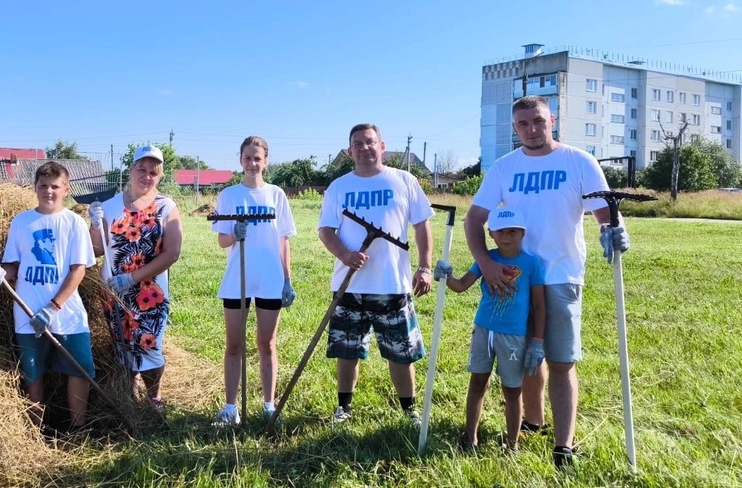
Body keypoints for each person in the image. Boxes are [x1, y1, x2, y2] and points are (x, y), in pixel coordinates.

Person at [465, 95, 630, 468]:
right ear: (514, 129)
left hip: (559, 274)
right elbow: (474, 219)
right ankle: (533, 421)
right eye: (523, 124)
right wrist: (485, 264)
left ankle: (563, 445)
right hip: (511, 277)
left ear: (551, 119)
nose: (532, 130)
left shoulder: (578, 161)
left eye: (538, 121)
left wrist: (616, 233)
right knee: (525, 356)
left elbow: (606, 213)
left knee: (559, 359)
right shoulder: (504, 168)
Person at [318, 123, 434, 424]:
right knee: (347, 349)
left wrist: (425, 267)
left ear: (381, 146)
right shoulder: (339, 187)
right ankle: (343, 407)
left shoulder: (404, 181)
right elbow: (325, 230)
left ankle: (409, 410)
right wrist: (344, 254)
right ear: (349, 151)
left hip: (392, 283)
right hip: (349, 285)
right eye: (358, 144)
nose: (364, 148)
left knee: (400, 351)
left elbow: (422, 225)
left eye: (370, 142)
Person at [0, 161, 96, 429]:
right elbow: (13, 264)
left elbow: (78, 270)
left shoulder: (74, 223)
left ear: (66, 189)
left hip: (67, 314)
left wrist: (53, 307)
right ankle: (37, 430)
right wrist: (1, 272)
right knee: (33, 374)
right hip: (27, 313)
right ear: (34, 188)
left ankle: (78, 428)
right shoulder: (22, 222)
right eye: (43, 186)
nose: (49, 191)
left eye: (55, 186)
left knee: (79, 368)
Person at [434, 207, 546, 452]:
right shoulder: (486, 260)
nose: (506, 236)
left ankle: (512, 444)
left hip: (514, 336)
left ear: (522, 233)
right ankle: (470, 438)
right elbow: (461, 285)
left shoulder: (531, 264)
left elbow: (539, 304)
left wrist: (538, 341)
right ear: (491, 234)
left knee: (512, 390)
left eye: (512, 231)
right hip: (484, 331)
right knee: (478, 382)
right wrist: (446, 275)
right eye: (500, 232)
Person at [210, 136, 297, 426]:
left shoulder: (276, 195)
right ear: (240, 160)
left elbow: (283, 240)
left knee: (267, 344)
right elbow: (223, 240)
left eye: (257, 158)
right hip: (239, 279)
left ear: (266, 161)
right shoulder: (230, 195)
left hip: (270, 279)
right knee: (234, 344)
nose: (252, 163)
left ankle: (269, 404)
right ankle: (231, 407)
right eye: (247, 158)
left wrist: (287, 279)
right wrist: (235, 233)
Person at [88, 144, 183, 410]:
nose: (146, 176)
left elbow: (172, 252)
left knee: (151, 346)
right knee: (123, 348)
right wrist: (95, 225)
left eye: (153, 172)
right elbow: (96, 249)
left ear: (159, 176)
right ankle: (128, 398)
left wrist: (132, 278)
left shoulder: (166, 207)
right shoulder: (109, 206)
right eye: (141, 169)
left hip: (151, 293)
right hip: (114, 293)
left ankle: (153, 398)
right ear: (131, 170)